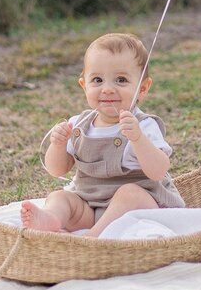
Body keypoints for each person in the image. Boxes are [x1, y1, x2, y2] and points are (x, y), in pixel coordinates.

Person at [20, 32, 184, 237]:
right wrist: (58, 145)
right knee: (60, 197)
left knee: (130, 194)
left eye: (121, 80)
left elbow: (158, 171)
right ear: (84, 85)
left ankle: (93, 237)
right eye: (97, 80)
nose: (107, 89)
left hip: (138, 209)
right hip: (90, 207)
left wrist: (138, 139)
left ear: (142, 89)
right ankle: (51, 218)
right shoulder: (78, 125)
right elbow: (56, 169)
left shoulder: (143, 125)